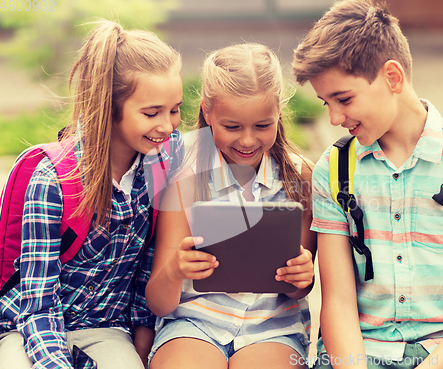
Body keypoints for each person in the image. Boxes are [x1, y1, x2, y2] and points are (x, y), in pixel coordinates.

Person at [292, 0, 443, 368]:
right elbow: (338, 302)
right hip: (361, 352)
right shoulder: (334, 169)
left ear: (392, 77)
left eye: (344, 99)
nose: (336, 117)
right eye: (326, 103)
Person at [0, 20, 184, 369]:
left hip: (106, 327)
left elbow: (150, 261)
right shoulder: (52, 181)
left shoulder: (164, 159)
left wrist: (142, 342)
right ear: (109, 107)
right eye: (151, 113)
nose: (168, 125)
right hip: (28, 328)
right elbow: (38, 305)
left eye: (174, 110)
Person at [145, 43, 317, 369]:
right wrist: (175, 270)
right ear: (208, 112)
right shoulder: (185, 178)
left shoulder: (299, 177)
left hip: (273, 329)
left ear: (278, 111)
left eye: (262, 126)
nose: (248, 141)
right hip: (192, 325)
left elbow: (299, 290)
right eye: (232, 127)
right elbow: (159, 302)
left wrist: (303, 276)